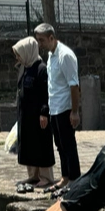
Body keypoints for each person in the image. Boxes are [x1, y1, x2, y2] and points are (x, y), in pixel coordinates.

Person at [35, 23, 80, 191]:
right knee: (60, 145)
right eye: (38, 40)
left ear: (51, 38)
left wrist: (74, 111)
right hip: (54, 107)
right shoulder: (51, 55)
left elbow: (74, 85)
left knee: (68, 145)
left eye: (42, 40)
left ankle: (75, 179)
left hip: (65, 108)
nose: (40, 44)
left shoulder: (65, 55)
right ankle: (65, 177)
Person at [13, 37, 54, 192]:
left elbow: (45, 93)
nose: (18, 58)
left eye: (19, 54)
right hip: (26, 116)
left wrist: (44, 112)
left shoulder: (41, 69)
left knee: (41, 144)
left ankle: (46, 177)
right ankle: (33, 175)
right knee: (29, 145)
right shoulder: (25, 68)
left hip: (38, 115)